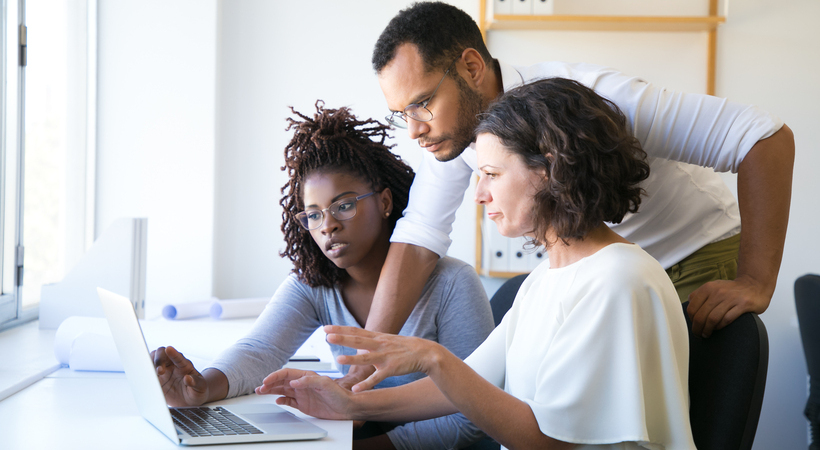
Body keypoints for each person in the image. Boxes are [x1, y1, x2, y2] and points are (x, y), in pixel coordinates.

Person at [340, 1, 795, 388]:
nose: (414, 129)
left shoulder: (598, 101)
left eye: (421, 103)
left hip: (694, 255)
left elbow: (763, 137)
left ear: (472, 67)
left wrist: (756, 279)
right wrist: (363, 367)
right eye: (402, 114)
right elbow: (419, 236)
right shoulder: (453, 134)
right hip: (606, 277)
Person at [257, 78, 696, 450]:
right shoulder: (547, 277)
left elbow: (547, 442)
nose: (480, 193)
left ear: (549, 170)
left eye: (492, 174)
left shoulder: (617, 280)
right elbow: (467, 385)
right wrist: (348, 404)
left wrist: (432, 357)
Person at [151, 102, 495, 450]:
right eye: (313, 215)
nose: (327, 225)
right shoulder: (315, 284)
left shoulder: (453, 284)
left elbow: (471, 417)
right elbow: (261, 349)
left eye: (344, 205)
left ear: (385, 202)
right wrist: (203, 387)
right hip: (354, 433)